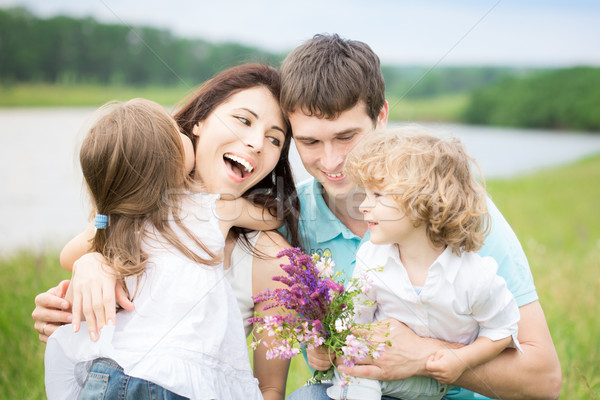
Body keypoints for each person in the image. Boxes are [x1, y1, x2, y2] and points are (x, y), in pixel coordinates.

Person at [279, 34, 561, 399]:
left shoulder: (453, 206)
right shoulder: (291, 220)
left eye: (346, 136)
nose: (331, 161)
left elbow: (544, 381)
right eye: (310, 143)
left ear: (381, 116)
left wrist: (423, 355)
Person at [34, 64, 299, 400]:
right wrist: (93, 263)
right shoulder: (142, 205)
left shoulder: (268, 256)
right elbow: (84, 251)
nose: (257, 143)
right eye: (243, 120)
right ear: (199, 121)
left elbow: (270, 389)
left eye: (275, 139)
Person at [323, 128, 523, 400]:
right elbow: (357, 314)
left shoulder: (473, 276)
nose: (363, 207)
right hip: (380, 378)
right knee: (345, 382)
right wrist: (331, 338)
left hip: (439, 386)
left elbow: (502, 329)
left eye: (378, 195)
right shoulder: (371, 257)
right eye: (365, 194)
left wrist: (460, 360)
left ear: (424, 202)